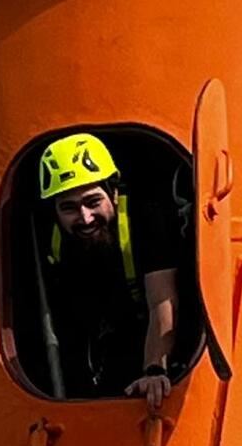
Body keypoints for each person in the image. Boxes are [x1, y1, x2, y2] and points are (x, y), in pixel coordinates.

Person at [37, 132, 184, 408]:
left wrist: (154, 370)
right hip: (105, 339)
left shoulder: (145, 219)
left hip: (152, 333)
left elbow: (162, 301)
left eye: (93, 202)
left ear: (114, 193)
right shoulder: (51, 242)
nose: (85, 218)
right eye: (68, 207)